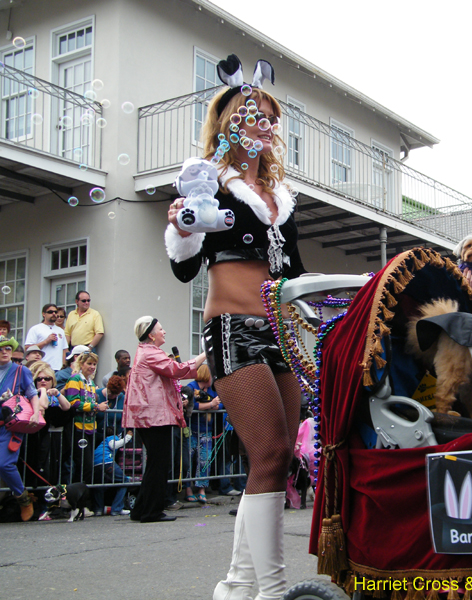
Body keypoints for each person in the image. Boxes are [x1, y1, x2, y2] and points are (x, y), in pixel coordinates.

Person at [165, 54, 305, 600]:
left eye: (269, 116)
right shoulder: (209, 185)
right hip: (232, 328)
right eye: (252, 115)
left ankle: (237, 583)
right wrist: (182, 224)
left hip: (282, 333)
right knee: (269, 452)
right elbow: (182, 267)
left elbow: (292, 273)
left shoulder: (283, 200)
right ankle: (270, 590)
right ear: (227, 124)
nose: (263, 124)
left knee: (279, 457)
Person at [122, 316, 205, 523]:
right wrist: (205, 355)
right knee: (159, 464)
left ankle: (141, 509)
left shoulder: (147, 351)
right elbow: (176, 370)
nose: (164, 332)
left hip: (150, 415)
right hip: (153, 416)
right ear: (151, 334)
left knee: (155, 464)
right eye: (161, 329)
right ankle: (151, 511)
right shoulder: (149, 352)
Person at [0, 336, 41, 521]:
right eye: (1, 348)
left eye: (8, 348)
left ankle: (23, 499)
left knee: (5, 464)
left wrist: (36, 413)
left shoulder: (20, 370)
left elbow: (33, 393)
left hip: (10, 426)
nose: (4, 351)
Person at [24, 362, 71, 488]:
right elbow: (43, 405)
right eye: (39, 379)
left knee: (55, 468)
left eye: (47, 378)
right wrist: (43, 391)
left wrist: (58, 394)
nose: (43, 381)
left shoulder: (53, 393)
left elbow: (67, 407)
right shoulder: (33, 394)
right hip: (37, 438)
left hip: (55, 439)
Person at [64, 351, 107, 487]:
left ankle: (81, 499)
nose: (92, 367)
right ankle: (75, 498)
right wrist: (96, 406)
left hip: (90, 428)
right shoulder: (75, 379)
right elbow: (73, 402)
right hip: (77, 427)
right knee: (84, 466)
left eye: (94, 364)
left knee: (87, 467)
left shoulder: (91, 382)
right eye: (89, 363)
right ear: (81, 364)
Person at [184, 365, 218, 504]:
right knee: (188, 460)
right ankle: (187, 489)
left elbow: (219, 405)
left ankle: (202, 489)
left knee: (204, 460)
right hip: (192, 429)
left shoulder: (211, 389)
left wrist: (211, 404)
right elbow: (192, 406)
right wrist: (210, 404)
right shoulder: (191, 387)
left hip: (206, 430)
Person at [93, 426, 133, 516]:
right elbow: (113, 445)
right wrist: (128, 437)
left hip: (96, 464)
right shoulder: (111, 438)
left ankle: (98, 509)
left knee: (99, 485)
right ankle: (117, 508)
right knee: (124, 481)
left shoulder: (102, 443)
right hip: (107, 461)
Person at [24, 304, 68, 371]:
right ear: (43, 314)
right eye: (50, 312)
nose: (53, 314)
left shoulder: (61, 331)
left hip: (58, 369)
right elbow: (28, 348)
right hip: (42, 367)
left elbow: (64, 350)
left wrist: (63, 366)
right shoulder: (36, 329)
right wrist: (46, 341)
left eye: (55, 312)